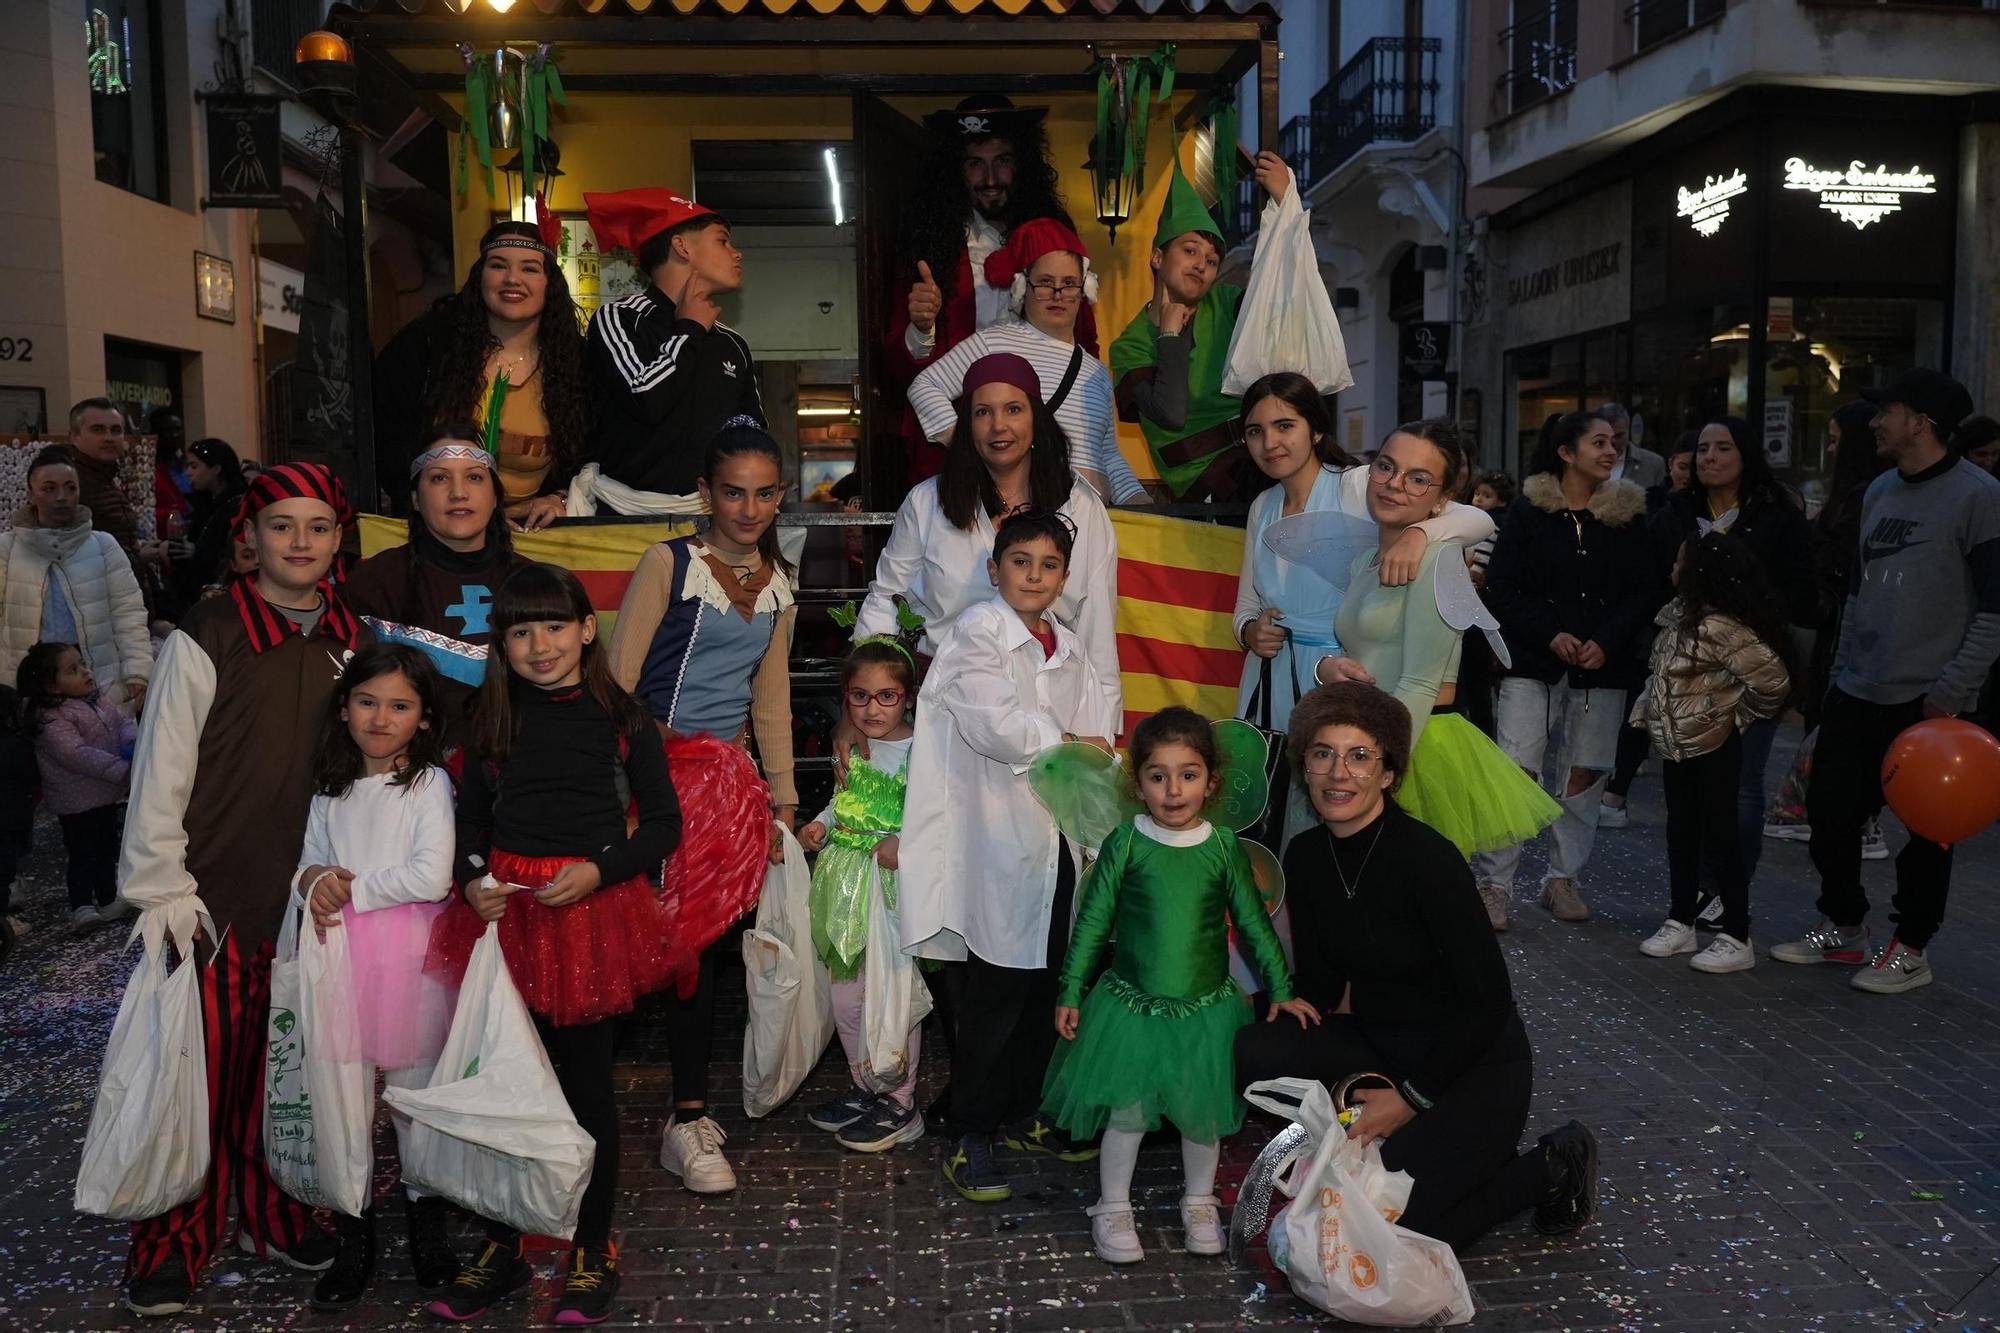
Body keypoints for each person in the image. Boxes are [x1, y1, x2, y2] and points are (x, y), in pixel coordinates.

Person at [116, 462, 365, 1318]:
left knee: (284, 1073)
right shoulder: (210, 629)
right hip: (211, 898)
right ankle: (171, 1243)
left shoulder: (352, 636)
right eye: (282, 526)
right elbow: (161, 767)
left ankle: (276, 1212)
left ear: (339, 538)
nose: (301, 542)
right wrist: (162, 887)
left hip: (305, 904)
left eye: (319, 526)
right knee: (194, 1081)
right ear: (248, 538)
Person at [1234, 682, 1599, 1253]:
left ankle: (1549, 1167)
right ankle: (1407, 1149)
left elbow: (1488, 1003)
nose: (1339, 773)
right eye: (1322, 754)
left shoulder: (1429, 860)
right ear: (1304, 766)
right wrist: (1223, 1002)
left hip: (1471, 1063)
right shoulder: (1306, 856)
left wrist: (1410, 1099)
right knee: (1249, 1047)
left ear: (1388, 774)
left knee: (1394, 1231)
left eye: (1360, 757)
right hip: (1380, 1042)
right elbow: (1322, 987)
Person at [426, 562, 683, 1323]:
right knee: (501, 1079)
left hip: (589, 915)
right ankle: (502, 1245)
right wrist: (472, 878)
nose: (540, 644)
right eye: (520, 630)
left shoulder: (623, 716)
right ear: (501, 643)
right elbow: (468, 821)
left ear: (584, 630)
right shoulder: (490, 718)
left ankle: (590, 1243)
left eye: (554, 626)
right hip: (506, 918)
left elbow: (664, 825)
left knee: (586, 1090)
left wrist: (600, 870)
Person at [900, 510, 1120, 1204]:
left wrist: (1097, 751)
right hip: (997, 839)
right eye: (1019, 561)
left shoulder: (1071, 644)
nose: (1034, 575)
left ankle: (1019, 1107)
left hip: (1059, 841)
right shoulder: (976, 634)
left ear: (1063, 575)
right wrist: (1074, 740)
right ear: (994, 570)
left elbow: (1100, 729)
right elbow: (996, 723)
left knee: (1049, 980)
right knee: (995, 992)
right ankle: (967, 1128)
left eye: (1048, 564)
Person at [1042, 707, 1313, 1265]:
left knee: (1201, 1113)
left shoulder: (1222, 847)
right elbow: (1092, 922)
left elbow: (1255, 923)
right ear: (1136, 782)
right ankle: (1113, 1205)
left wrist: (1281, 988)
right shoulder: (1127, 843)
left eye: (1188, 775)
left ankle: (1198, 1200)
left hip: (1204, 1010)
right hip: (1131, 1008)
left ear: (1210, 782)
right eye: (1157, 775)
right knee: (1127, 1111)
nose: (1172, 789)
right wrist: (1071, 989)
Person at [607, 422, 799, 1196]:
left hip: (725, 789)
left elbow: (773, 698)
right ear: (704, 493)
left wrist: (780, 802)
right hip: (651, 780)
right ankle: (560, 1101)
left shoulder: (780, 579)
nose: (747, 508)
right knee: (622, 945)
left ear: (780, 495)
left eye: (763, 492)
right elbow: (618, 682)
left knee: (701, 952)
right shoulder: (669, 562)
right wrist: (626, 789)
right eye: (732, 491)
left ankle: (687, 1115)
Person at [1775, 369, 2000, 993]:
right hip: (1859, 687)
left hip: (1930, 700)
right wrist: (1840, 673)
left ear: (1922, 421)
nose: (1874, 423)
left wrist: (1952, 690)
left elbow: (1995, 608)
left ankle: (1912, 946)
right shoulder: (1878, 491)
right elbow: (1857, 595)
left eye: (1886, 411)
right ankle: (1845, 928)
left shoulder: (1979, 495)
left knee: (1928, 829)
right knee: (1827, 817)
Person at [1232, 376, 1494, 846]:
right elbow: (1247, 602)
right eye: (1255, 431)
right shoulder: (1262, 507)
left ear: (1316, 430)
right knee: (1279, 821)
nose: (1270, 442)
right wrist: (1249, 630)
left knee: (1339, 818)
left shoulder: (1359, 483)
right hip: (1273, 679)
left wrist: (1421, 535)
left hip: (1353, 683)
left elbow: (1476, 519)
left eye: (1285, 425)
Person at [289, 644, 460, 1308]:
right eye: (367, 701)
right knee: (343, 1104)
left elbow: (431, 873)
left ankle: (428, 1226)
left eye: (399, 706)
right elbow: (305, 861)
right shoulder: (329, 786)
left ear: (422, 718)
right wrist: (312, 882)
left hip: (411, 959)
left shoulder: (426, 783)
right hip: (337, 957)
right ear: (344, 707)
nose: (380, 718)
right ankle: (355, 1232)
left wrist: (347, 888)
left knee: (414, 1100)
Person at [1319, 419, 1561, 860]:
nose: (1394, 485)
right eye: (1386, 467)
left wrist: (1376, 773)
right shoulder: (1366, 562)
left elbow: (1419, 684)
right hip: (1368, 741)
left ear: (1443, 497)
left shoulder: (1438, 562)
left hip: (1413, 746)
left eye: (1418, 479)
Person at [856, 353, 1120, 724]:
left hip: (1050, 714)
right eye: (983, 412)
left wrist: (1101, 733)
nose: (999, 426)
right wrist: (865, 707)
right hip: (945, 711)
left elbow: (1097, 627)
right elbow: (885, 599)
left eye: (1013, 409)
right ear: (967, 425)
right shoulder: (928, 502)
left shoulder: (1081, 506)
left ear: (1036, 419)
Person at [1473, 411, 1653, 929]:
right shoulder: (1530, 513)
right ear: (1566, 452)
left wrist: (1606, 640)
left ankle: (1562, 878)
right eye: (1598, 442)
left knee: (1586, 772)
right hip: (1533, 664)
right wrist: (1548, 632)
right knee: (1515, 770)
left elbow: (1643, 590)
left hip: (1603, 669)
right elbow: (1503, 587)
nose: (1610, 451)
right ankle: (1495, 884)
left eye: (1613, 442)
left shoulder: (1627, 515)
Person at [1647, 416, 1813, 886]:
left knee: (1742, 784)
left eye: (1723, 448)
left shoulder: (1775, 513)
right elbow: (1650, 585)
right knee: (1690, 788)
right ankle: (1696, 892)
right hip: (1689, 671)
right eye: (1703, 449)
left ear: (1745, 455)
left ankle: (1729, 893)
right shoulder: (1674, 513)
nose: (1710, 458)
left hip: (1752, 664)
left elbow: (1800, 592)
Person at [890, 94, 1089, 484]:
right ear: (956, 172)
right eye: (975, 164)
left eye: (1003, 161)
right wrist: (921, 327)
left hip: (1042, 436)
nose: (990, 178)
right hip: (950, 446)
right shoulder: (928, 246)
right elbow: (899, 368)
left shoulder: (1054, 238)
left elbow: (1081, 338)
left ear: (1022, 166)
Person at [1630, 534, 1793, 974]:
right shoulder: (1677, 618)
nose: (1673, 567)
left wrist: (1732, 717)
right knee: (1681, 834)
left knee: (1721, 840)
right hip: (1677, 749)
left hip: (1714, 747)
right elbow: (1661, 676)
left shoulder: (1721, 627)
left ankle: (1737, 934)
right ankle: (1680, 919)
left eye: (1680, 560)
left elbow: (1772, 681)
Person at [908, 217, 1142, 503]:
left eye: (1068, 284)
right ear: (1023, 287)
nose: (1057, 294)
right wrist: (969, 448)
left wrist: (1140, 503)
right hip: (1026, 521)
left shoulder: (1097, 371)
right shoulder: (994, 342)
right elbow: (925, 385)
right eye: (1045, 283)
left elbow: (1108, 454)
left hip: (1091, 520)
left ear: (1084, 290)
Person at [373, 220, 588, 528]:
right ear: (480, 277)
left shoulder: (577, 363)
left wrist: (562, 497)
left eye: (529, 269)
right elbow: (386, 442)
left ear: (549, 284)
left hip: (535, 535)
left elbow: (597, 454)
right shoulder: (426, 347)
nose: (512, 279)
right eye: (498, 266)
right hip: (438, 532)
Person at [799, 637, 924, 1154]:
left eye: (886, 697)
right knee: (846, 995)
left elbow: (937, 813)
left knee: (892, 995)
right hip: (844, 886)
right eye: (860, 697)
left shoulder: (922, 750)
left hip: (890, 890)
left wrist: (907, 841)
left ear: (908, 698)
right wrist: (820, 824)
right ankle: (865, 1083)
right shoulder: (853, 747)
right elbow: (843, 800)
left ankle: (901, 1098)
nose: (873, 709)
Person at [1111, 153, 1293, 502]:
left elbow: (1283, 299)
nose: (1201, 266)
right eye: (1190, 251)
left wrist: (1285, 205)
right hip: (1207, 483)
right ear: (1158, 258)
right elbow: (1171, 414)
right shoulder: (1129, 347)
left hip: (1263, 457)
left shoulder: (1227, 302)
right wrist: (1168, 337)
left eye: (1211, 260)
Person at [341, 425, 529, 749]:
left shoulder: (534, 583)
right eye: (440, 478)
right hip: (407, 778)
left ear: (495, 495)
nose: (458, 493)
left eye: (474, 477)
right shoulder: (374, 583)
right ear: (415, 498)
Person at [578, 188, 761, 516]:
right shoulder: (620, 318)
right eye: (723, 241)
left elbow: (752, 438)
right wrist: (689, 329)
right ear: (681, 246)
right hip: (620, 520)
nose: (737, 254)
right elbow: (647, 398)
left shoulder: (732, 344)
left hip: (713, 524)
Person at [1762, 402, 1893, 853]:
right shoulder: (1855, 494)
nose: (1830, 448)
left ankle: (1854, 819)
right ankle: (1839, 816)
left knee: (1839, 726)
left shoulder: (1864, 496)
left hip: (1841, 627)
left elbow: (1851, 568)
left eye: (1836, 439)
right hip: (1830, 627)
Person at [0, 445, 152, 717]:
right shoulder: (6, 549)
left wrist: (138, 671)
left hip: (100, 682)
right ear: (30, 494)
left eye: (71, 488)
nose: (62, 497)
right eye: (49, 488)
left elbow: (128, 614)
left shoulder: (104, 545)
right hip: (27, 687)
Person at [18, 641, 136, 931]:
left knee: (107, 847)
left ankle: (108, 899)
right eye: (73, 670)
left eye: (82, 664)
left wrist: (133, 741)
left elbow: (121, 723)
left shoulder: (97, 700)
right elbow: (76, 755)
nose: (85, 672)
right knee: (83, 852)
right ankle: (81, 905)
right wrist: (121, 770)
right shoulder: (50, 718)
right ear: (52, 686)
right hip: (76, 801)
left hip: (105, 795)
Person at [66, 397, 144, 566]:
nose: (109, 438)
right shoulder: (70, 485)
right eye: (98, 430)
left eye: (116, 430)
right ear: (74, 437)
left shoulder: (106, 478)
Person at [173, 438, 249, 605]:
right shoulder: (203, 504)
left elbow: (232, 554)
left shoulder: (238, 505)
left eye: (194, 466)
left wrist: (198, 551)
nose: (187, 473)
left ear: (215, 469)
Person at [0, 684, 31, 960]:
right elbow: (29, 775)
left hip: (11, 818)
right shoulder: (15, 745)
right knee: (4, 872)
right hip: (10, 821)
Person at [1598, 402, 1666, 490]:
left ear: (1628, 430)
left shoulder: (1654, 464)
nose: (1613, 442)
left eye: (1619, 436)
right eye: (1606, 436)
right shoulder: (1583, 463)